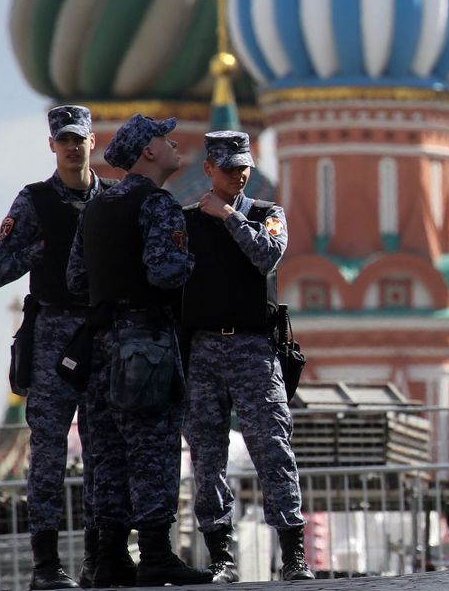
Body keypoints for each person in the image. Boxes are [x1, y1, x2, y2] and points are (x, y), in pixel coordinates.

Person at [66, 114, 213, 587]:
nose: (174, 144)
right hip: (144, 343)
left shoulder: (97, 207)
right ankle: (154, 552)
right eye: (164, 139)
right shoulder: (159, 205)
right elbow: (167, 273)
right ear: (148, 152)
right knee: (153, 446)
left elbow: (75, 280)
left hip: (100, 345)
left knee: (106, 453)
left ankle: (109, 557)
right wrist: (191, 260)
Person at [0, 105, 114, 589]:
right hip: (52, 341)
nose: (72, 147)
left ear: (91, 141)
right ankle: (46, 565)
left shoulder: (109, 200)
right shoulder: (35, 201)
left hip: (100, 336)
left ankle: (98, 559)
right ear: (52, 146)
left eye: (78, 139)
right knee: (47, 453)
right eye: (63, 140)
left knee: (103, 449)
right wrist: (41, 250)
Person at [180, 131, 313, 583]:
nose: (239, 174)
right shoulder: (188, 223)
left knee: (273, 448)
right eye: (229, 167)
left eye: (244, 167)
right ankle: (221, 556)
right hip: (202, 351)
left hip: (253, 349)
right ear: (208, 169)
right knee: (208, 456)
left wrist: (231, 216)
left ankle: (293, 555)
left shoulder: (265, 214)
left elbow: (268, 256)